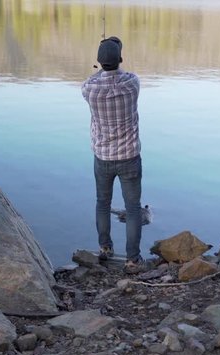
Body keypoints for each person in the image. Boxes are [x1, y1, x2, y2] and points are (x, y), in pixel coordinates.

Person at [81, 36, 145, 274]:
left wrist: (104, 64)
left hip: (103, 158)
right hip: (129, 156)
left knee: (102, 204)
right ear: (120, 59)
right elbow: (124, 74)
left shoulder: (90, 89)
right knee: (133, 208)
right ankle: (132, 259)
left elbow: (94, 80)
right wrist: (116, 51)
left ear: (98, 62)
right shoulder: (132, 84)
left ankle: (105, 249)